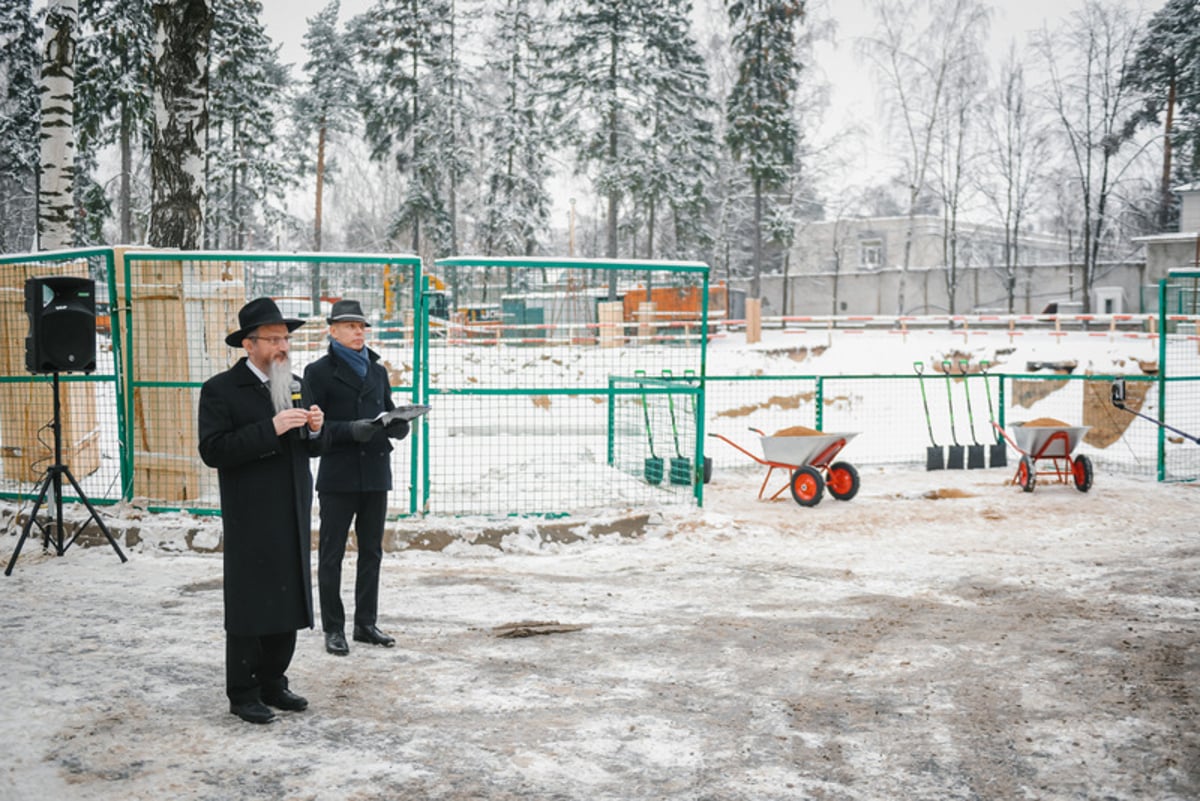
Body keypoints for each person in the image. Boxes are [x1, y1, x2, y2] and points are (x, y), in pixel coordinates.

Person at [197, 297, 327, 725]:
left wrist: (314, 430)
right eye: (273, 339)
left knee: (288, 599)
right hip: (251, 513)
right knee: (252, 602)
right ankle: (244, 691)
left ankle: (275, 681)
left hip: (291, 508)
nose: (282, 346)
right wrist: (269, 429)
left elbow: (309, 449)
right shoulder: (220, 389)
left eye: (285, 338)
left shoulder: (294, 381)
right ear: (248, 345)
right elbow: (214, 451)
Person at [303, 299, 409, 656]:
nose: (359, 332)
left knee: (372, 552)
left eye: (362, 326)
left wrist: (398, 425)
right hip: (339, 475)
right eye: (350, 326)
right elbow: (312, 430)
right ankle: (334, 628)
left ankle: (366, 623)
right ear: (332, 331)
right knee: (331, 555)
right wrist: (350, 430)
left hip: (376, 472)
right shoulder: (316, 372)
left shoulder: (377, 371)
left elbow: (386, 408)